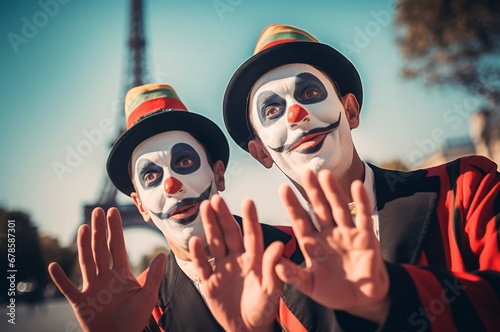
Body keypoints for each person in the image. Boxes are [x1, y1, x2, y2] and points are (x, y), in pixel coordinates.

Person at [208, 24, 500, 331]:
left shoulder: (466, 190)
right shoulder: (280, 280)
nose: (297, 115)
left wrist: (390, 296)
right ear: (261, 154)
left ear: (350, 111)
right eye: (272, 110)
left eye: (309, 92)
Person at [48, 83, 301, 331]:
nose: (170, 185)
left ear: (219, 175)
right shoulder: (140, 305)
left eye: (185, 161)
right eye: (150, 177)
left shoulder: (302, 249)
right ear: (141, 206)